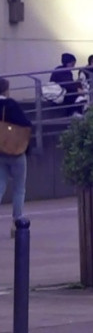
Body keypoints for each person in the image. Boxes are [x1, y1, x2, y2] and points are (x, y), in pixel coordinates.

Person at [0, 79, 32, 225]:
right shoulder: (11, 104)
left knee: (0, 183)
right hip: (16, 150)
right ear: (6, 89)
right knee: (19, 187)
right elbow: (26, 124)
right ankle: (17, 220)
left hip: (0, 151)